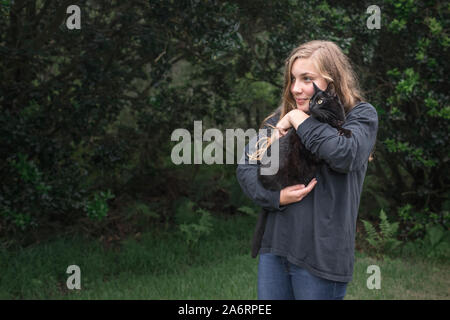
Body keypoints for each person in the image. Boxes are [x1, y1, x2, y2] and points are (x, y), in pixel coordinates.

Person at [236, 40, 378, 300]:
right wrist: (274, 198)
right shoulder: (280, 117)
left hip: (321, 257)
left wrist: (298, 120)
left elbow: (343, 154)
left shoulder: (361, 116)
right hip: (276, 248)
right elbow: (246, 165)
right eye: (293, 78)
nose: (295, 88)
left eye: (306, 78)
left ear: (331, 81)